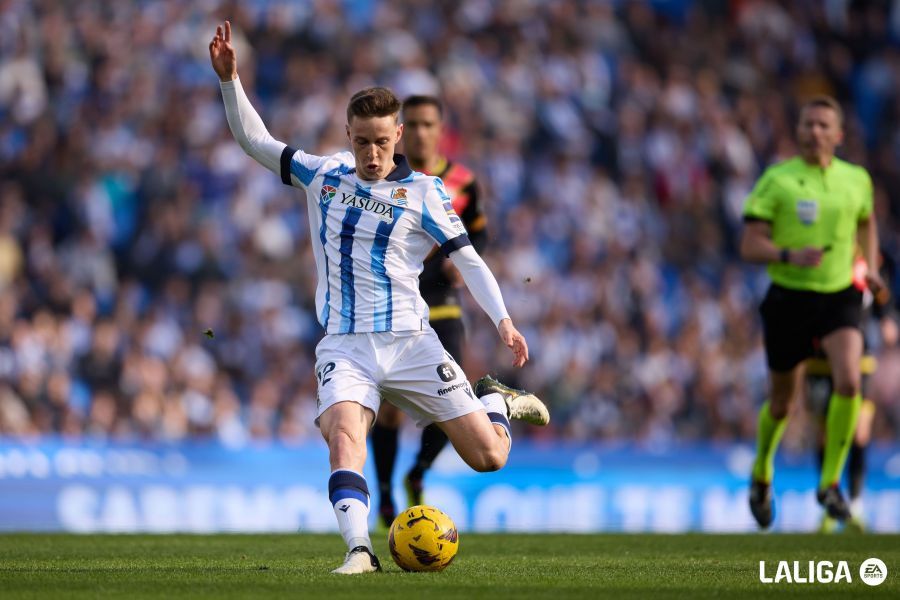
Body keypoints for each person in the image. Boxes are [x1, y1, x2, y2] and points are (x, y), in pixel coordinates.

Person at [209, 22, 549, 574]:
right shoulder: (324, 175)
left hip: (413, 343)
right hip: (346, 344)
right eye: (362, 141)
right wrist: (231, 81)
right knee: (345, 434)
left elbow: (468, 259)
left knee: (489, 457)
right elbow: (256, 141)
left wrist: (504, 322)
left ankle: (497, 402)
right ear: (348, 135)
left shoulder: (425, 193)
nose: (372, 152)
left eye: (382, 142)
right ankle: (360, 551)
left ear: (398, 138)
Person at [740, 95, 883, 530]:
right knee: (783, 403)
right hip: (789, 296)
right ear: (798, 131)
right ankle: (762, 472)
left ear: (838, 135)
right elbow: (749, 245)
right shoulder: (777, 180)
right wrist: (786, 253)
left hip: (840, 294)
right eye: (807, 124)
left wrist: (871, 268)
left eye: (823, 125)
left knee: (849, 378)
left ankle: (831, 483)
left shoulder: (856, 180)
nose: (814, 132)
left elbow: (867, 222)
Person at [370, 95, 489, 527]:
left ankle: (417, 471)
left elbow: (478, 235)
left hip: (440, 301)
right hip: (396, 304)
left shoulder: (462, 181)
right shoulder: (385, 178)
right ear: (402, 130)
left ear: (440, 130)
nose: (420, 132)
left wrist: (463, 263)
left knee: (454, 391)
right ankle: (384, 492)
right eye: (413, 124)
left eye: (427, 125)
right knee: (389, 407)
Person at [806, 251, 896, 533]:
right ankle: (829, 505)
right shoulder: (823, 250)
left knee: (859, 430)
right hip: (820, 359)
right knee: (824, 434)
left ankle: (855, 504)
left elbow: (879, 295)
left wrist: (885, 318)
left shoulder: (870, 256)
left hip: (860, 358)